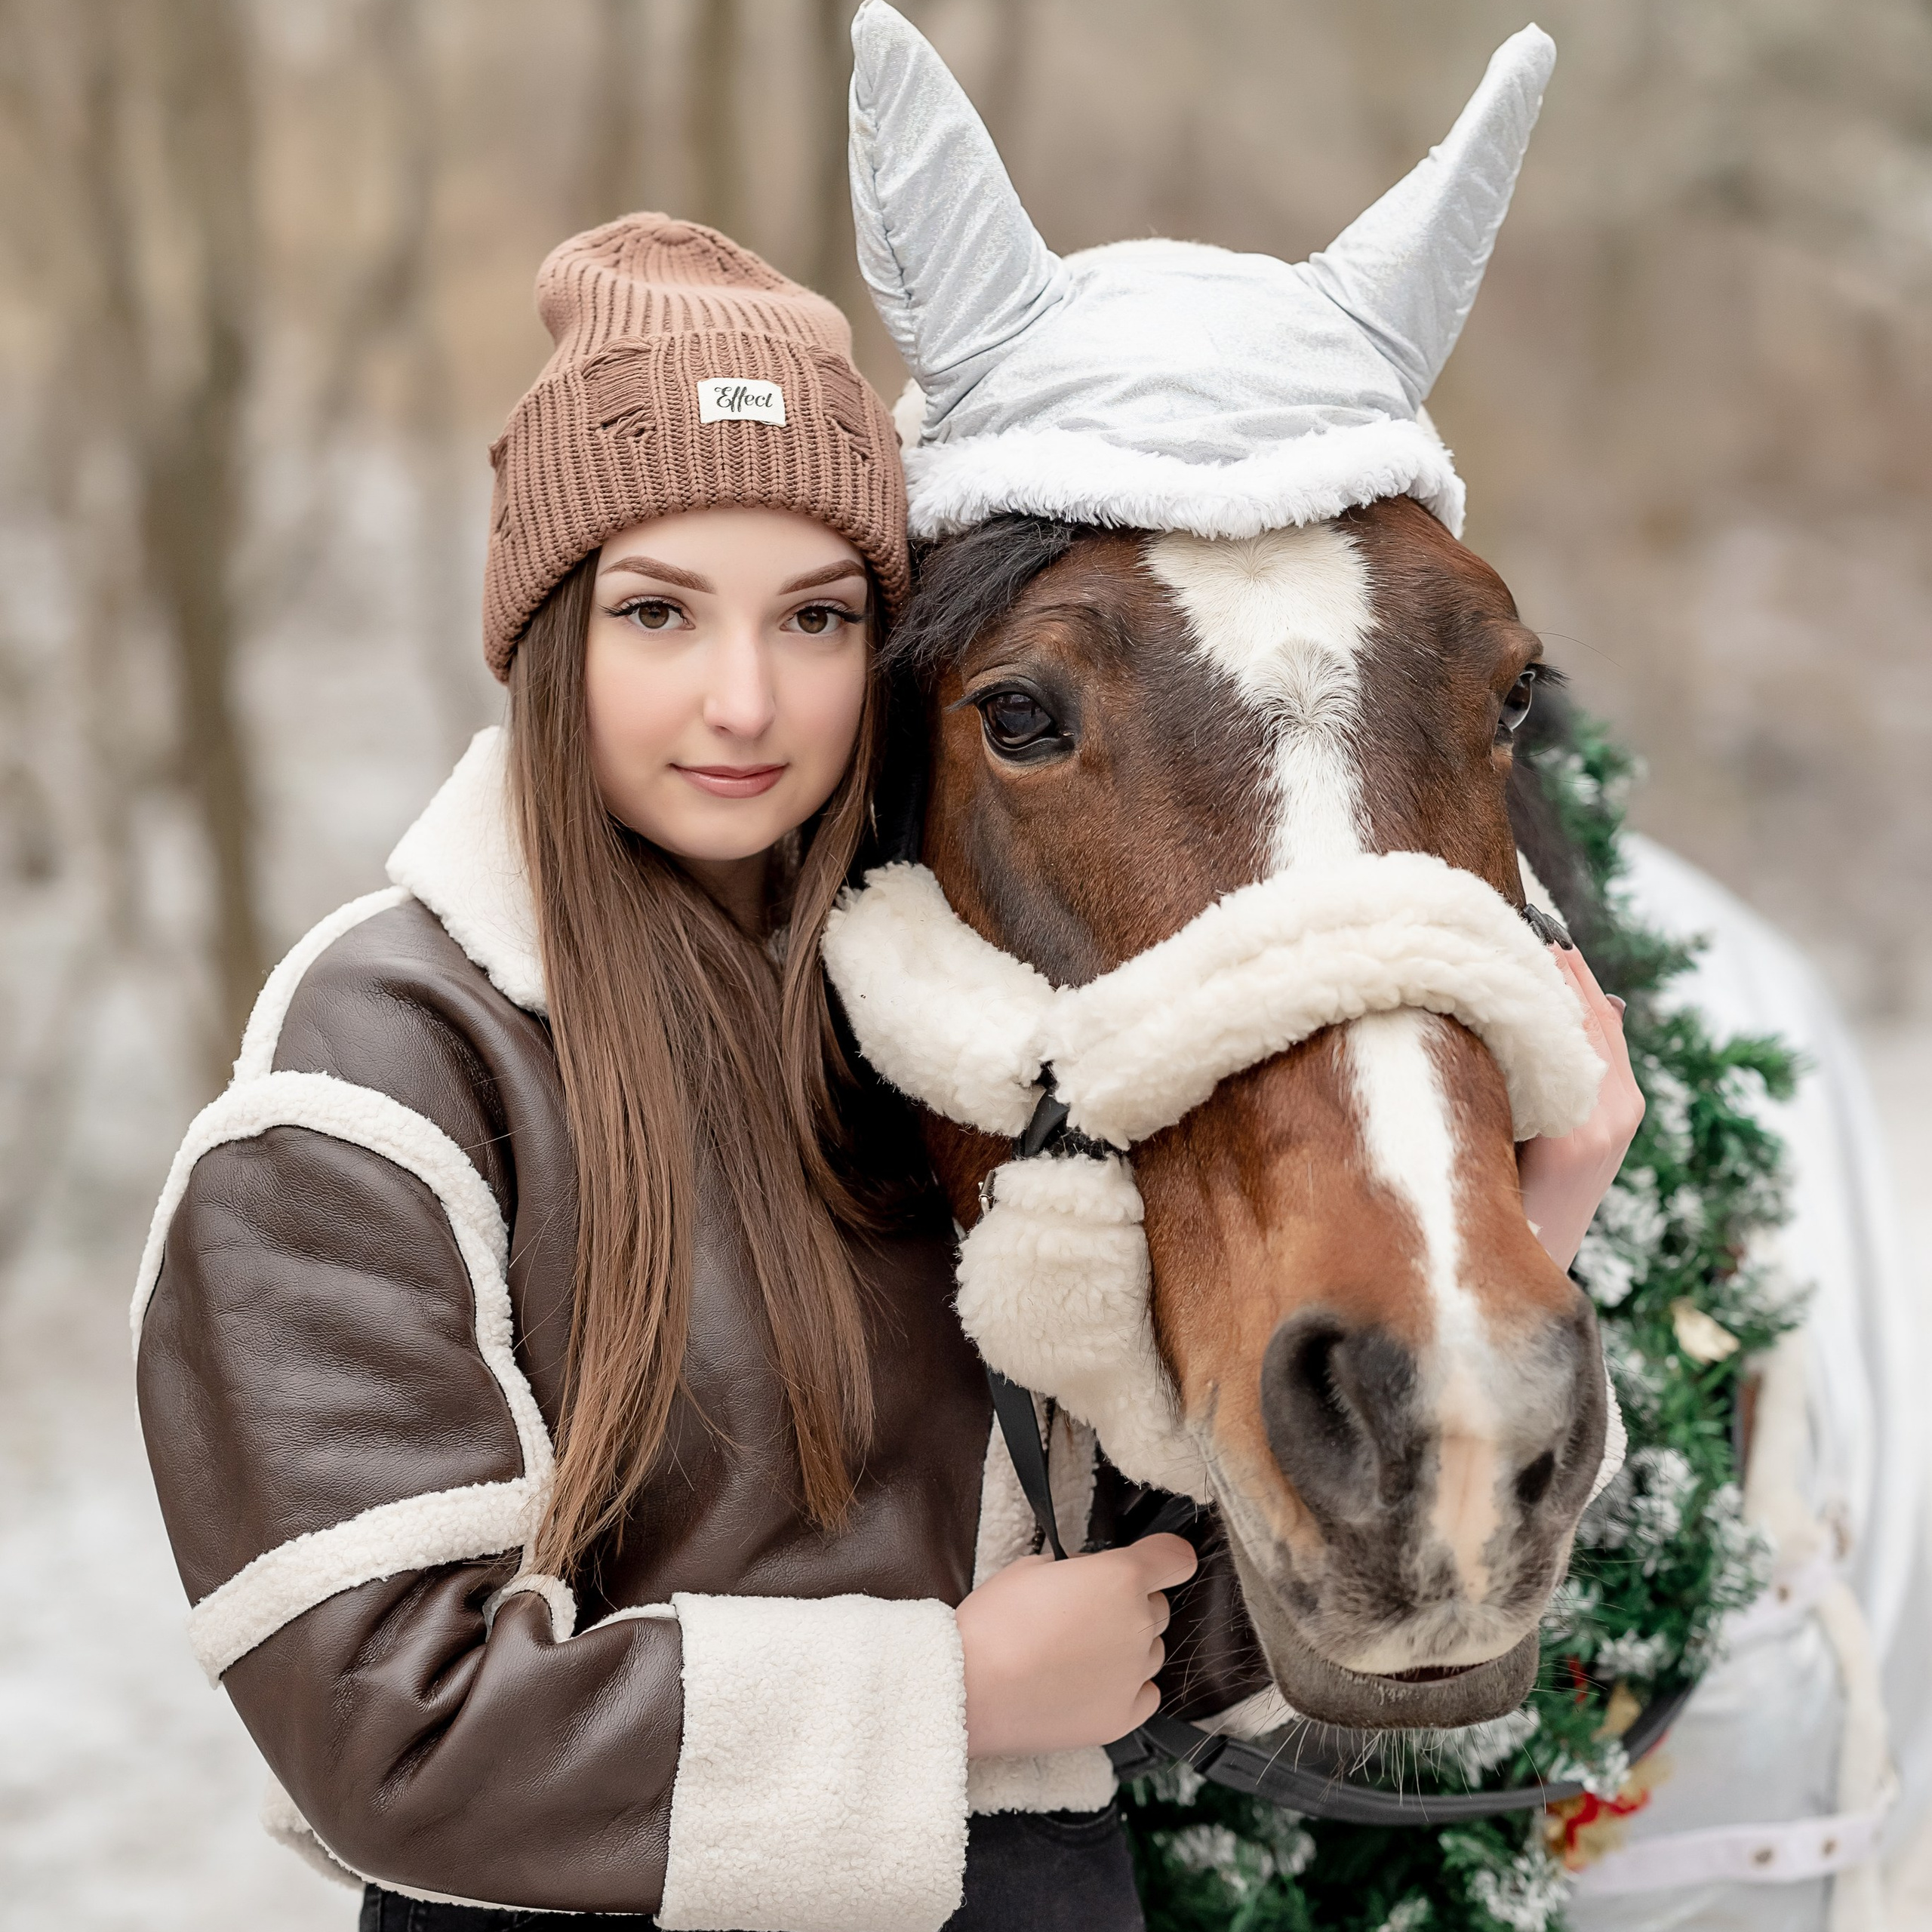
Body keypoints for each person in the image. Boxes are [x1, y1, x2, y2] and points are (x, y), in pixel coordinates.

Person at [132, 214, 1642, 1931]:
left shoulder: (949, 1033)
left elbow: (1198, 1616)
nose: (742, 697)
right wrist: (952, 1701)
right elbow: (383, 1726)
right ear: (547, 634)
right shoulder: (384, 1062)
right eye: (656, 611)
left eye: (816, 615)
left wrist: (1531, 1225)